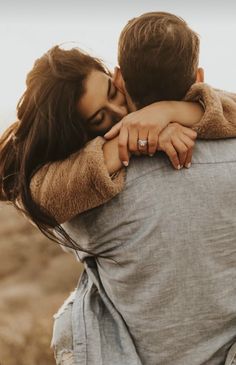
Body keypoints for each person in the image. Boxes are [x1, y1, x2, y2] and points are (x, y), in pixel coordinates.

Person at [49, 12, 236, 365]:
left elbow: (30, 194)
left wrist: (117, 145)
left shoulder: (89, 195)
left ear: (119, 78)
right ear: (198, 78)